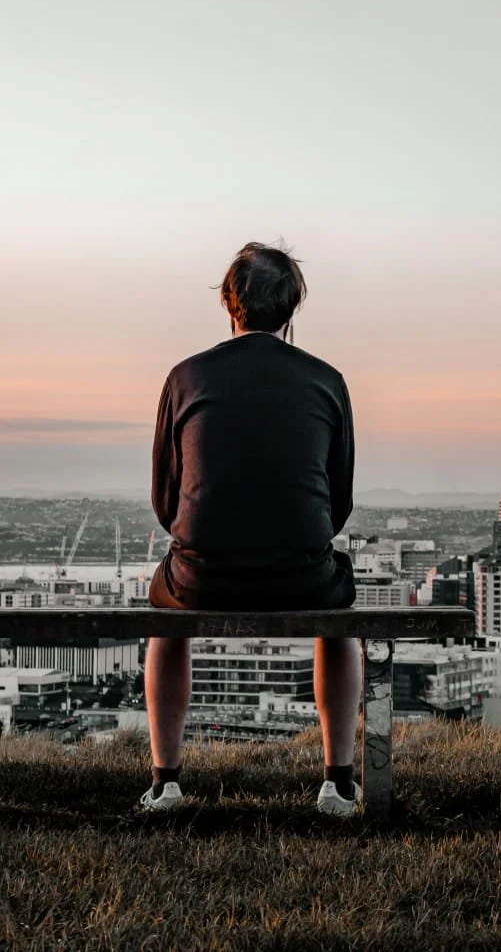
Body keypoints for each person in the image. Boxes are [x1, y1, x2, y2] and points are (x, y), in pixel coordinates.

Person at [139, 241, 362, 817]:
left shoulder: (187, 376)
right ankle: (338, 781)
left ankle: (166, 782)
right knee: (337, 621)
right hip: (304, 578)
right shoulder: (327, 381)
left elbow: (166, 500)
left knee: (166, 615)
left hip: (198, 577)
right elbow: (337, 506)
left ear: (227, 302)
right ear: (291, 310)